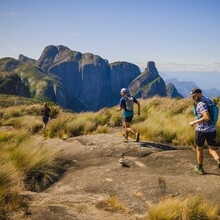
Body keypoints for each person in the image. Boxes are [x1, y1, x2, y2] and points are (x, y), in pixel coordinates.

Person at [189, 88, 220, 175]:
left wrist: (194, 122)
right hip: (212, 130)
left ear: (199, 94)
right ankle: (218, 160)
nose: (193, 98)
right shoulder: (209, 100)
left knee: (199, 149)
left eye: (194, 96)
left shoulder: (200, 104)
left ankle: (200, 168)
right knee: (211, 149)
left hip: (201, 131)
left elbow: (207, 117)